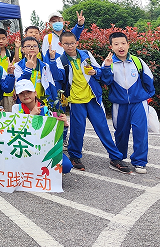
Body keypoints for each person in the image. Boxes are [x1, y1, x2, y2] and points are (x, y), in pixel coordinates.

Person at [54, 31, 130, 173]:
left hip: (93, 98)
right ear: (61, 44)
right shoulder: (60, 60)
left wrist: (96, 72)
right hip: (76, 100)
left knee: (103, 129)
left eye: (72, 42)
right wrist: (52, 61)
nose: (70, 46)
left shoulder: (86, 54)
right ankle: (75, 156)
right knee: (77, 130)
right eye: (66, 43)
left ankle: (115, 158)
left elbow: (99, 72)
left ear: (77, 42)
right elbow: (58, 77)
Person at [99, 31, 155, 174]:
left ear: (128, 45)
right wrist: (106, 67)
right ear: (111, 47)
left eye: (123, 43)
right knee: (121, 132)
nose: (120, 47)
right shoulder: (108, 63)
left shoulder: (137, 61)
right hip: (119, 104)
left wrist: (146, 96)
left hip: (139, 103)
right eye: (116, 44)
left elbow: (149, 78)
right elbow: (105, 81)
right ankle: (119, 159)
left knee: (140, 131)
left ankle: (140, 162)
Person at [12, 79, 73, 174]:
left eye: (28, 92)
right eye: (21, 93)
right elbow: (15, 132)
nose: (25, 95)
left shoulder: (47, 109)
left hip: (45, 147)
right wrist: (31, 116)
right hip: (24, 148)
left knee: (66, 166)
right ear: (18, 96)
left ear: (35, 93)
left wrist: (64, 125)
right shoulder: (16, 109)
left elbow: (58, 137)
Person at [12, 36, 61, 104]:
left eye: (35, 46)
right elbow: (20, 84)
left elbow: (51, 86)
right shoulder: (17, 66)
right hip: (25, 103)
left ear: (38, 49)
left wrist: (57, 107)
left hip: (43, 104)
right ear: (22, 49)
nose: (32, 48)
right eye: (28, 46)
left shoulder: (45, 66)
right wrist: (28, 69)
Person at [0, 28, 20, 111]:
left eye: (3, 39)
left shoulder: (10, 54)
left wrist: (17, 48)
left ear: (7, 40)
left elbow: (16, 66)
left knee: (8, 113)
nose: (1, 41)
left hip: (8, 91)